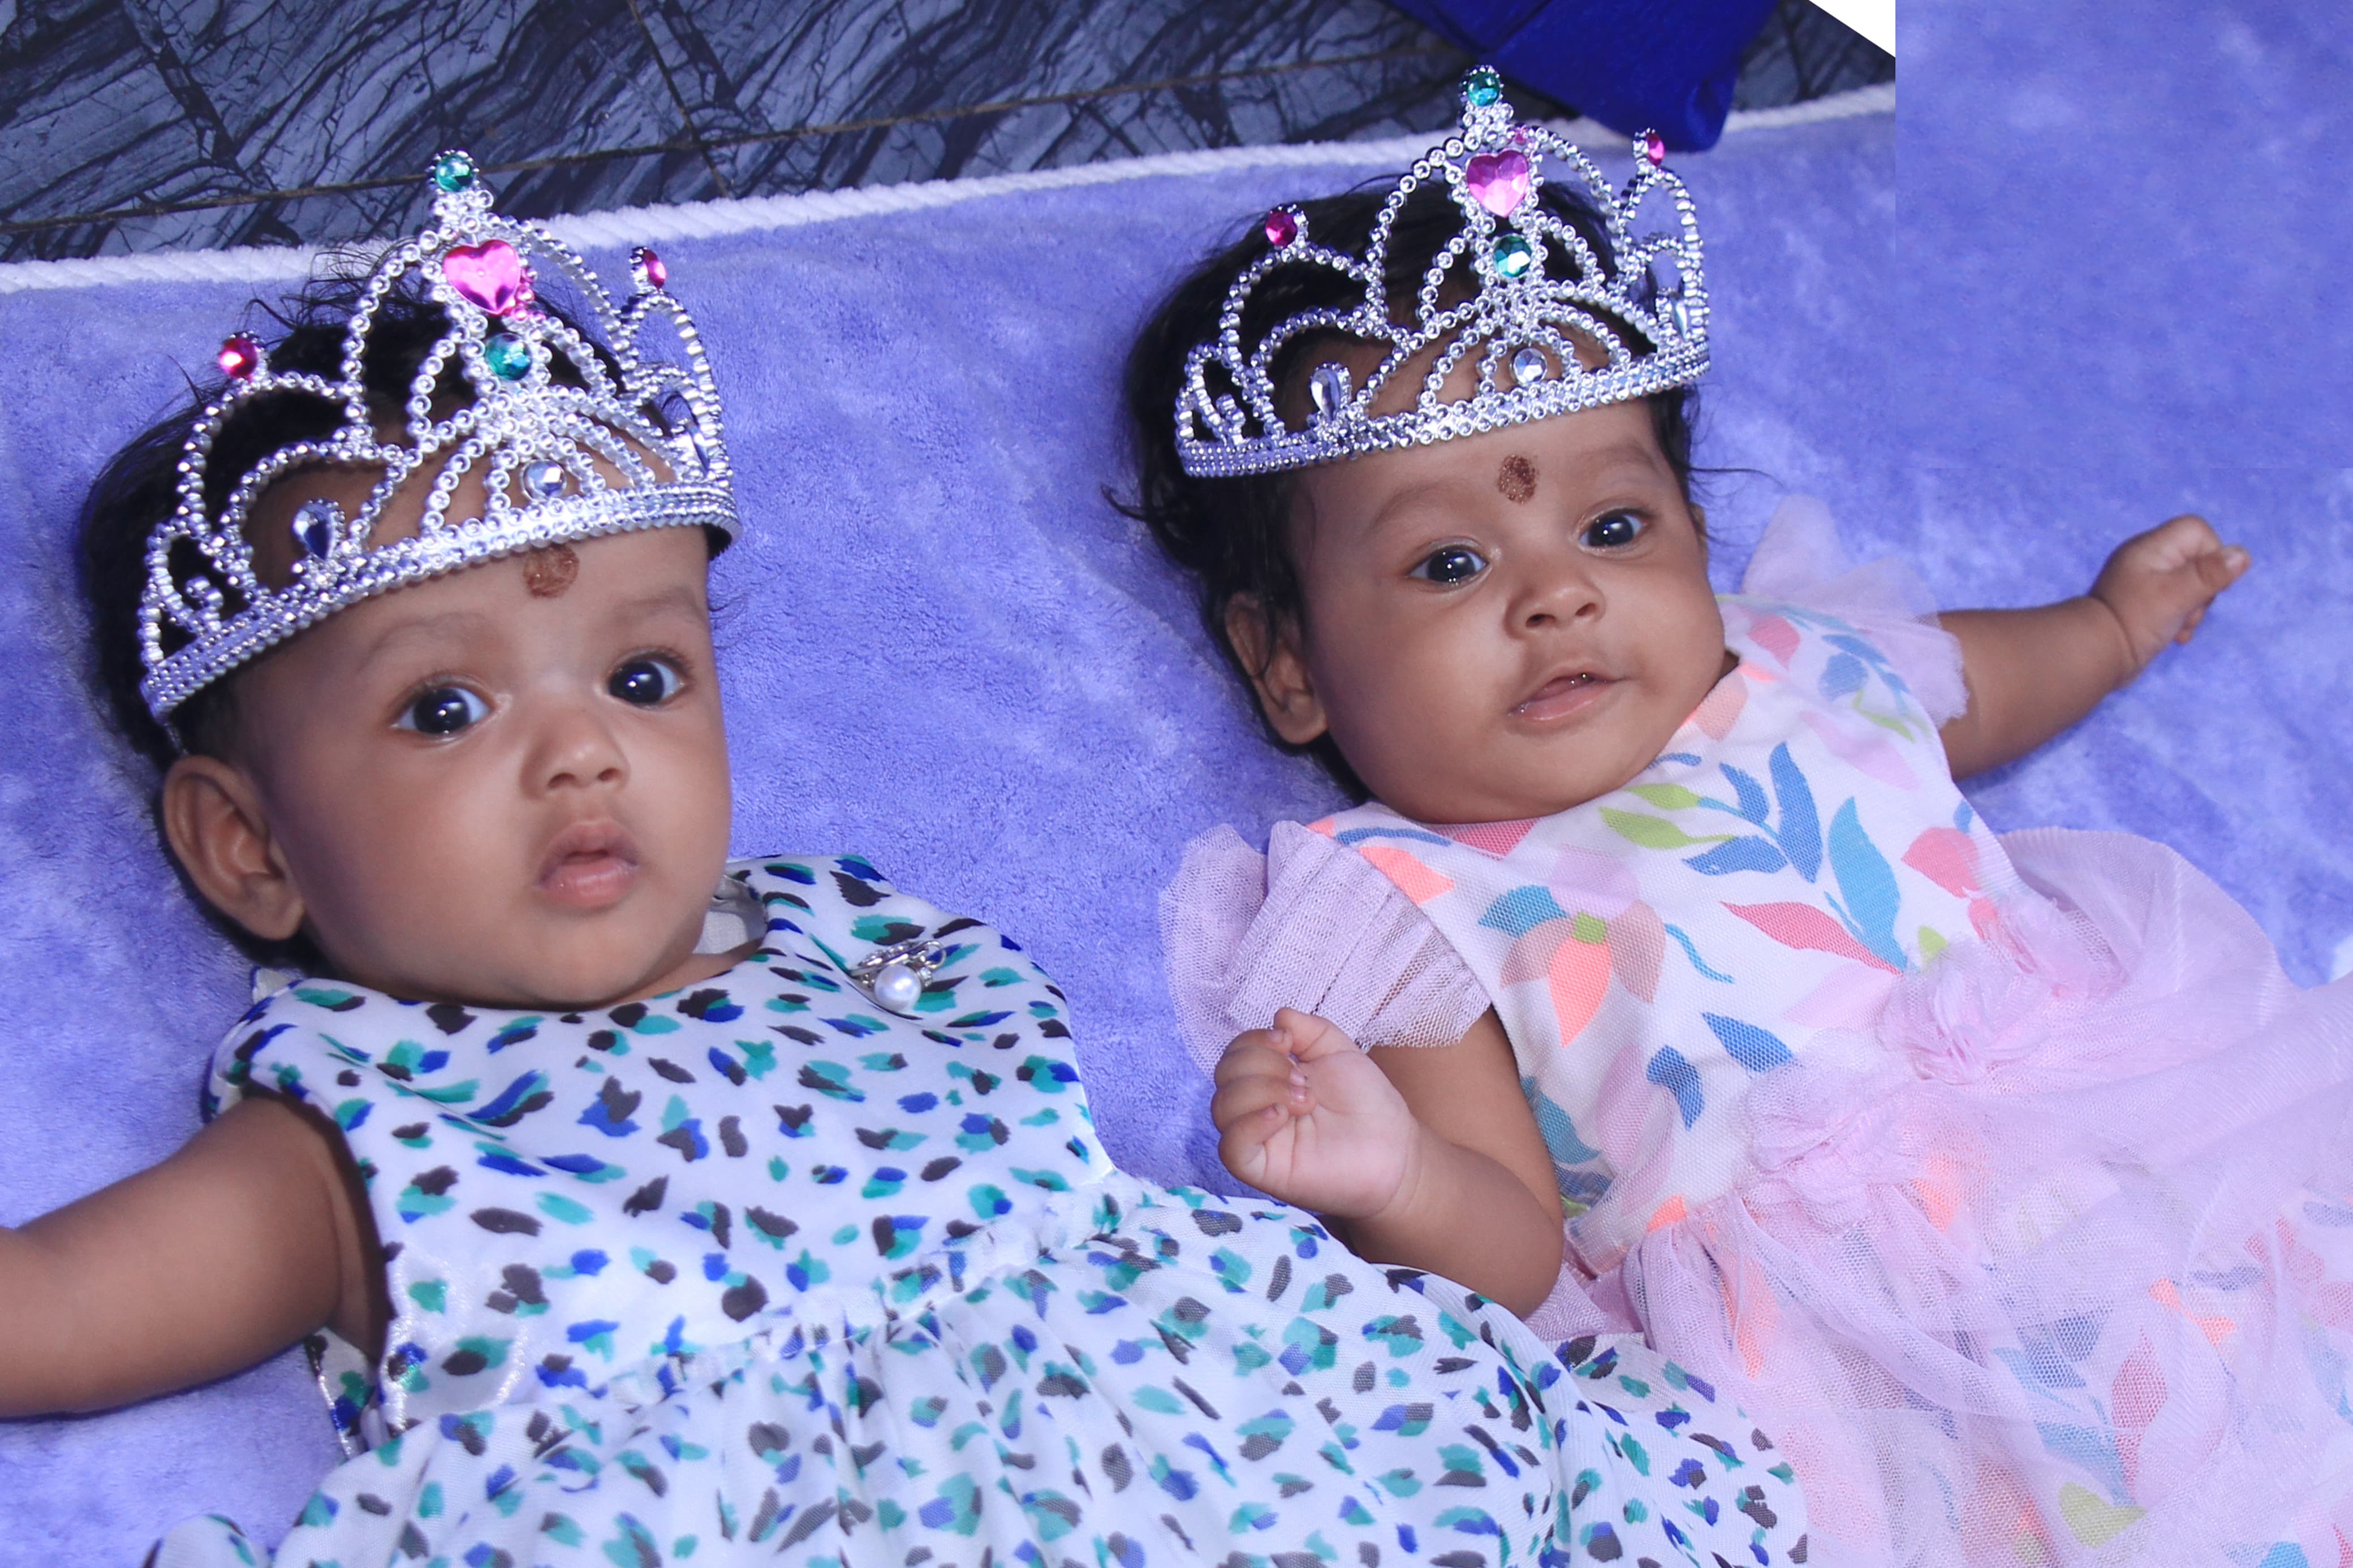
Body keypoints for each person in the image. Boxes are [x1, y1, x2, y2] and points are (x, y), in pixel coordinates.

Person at [0, 152, 1805, 1567]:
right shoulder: (357, 1134)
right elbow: (48, 1314)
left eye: (644, 675)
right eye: (444, 713)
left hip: (1208, 1459)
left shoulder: (856, 946)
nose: (580, 746)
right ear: (248, 849)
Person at [1128, 67, 2353, 1565]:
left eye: (1616, 526)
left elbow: (1989, 689)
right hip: (1856, 1350)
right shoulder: (1408, 902)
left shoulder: (1803, 662)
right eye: (1450, 565)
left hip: (2123, 1162)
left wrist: (2108, 623)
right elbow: (1513, 1243)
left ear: (1697, 537)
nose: (1557, 588)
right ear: (1292, 667)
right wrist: (1392, 1177)